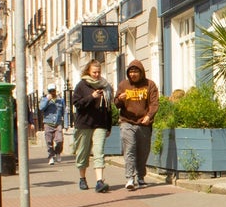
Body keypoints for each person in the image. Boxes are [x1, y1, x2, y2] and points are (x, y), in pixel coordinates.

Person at [114, 59, 159, 191]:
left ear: (141, 72)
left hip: (144, 123)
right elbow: (116, 103)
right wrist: (119, 100)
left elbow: (154, 103)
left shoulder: (149, 85)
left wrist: (149, 116)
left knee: (143, 151)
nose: (133, 74)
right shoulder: (123, 85)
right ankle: (130, 178)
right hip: (126, 122)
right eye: (131, 72)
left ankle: (140, 176)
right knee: (130, 149)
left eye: (136, 71)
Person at [72, 59, 113, 193]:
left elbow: (108, 108)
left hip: (100, 124)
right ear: (88, 71)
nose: (97, 74)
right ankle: (82, 178)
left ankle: (99, 182)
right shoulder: (81, 86)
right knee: (82, 153)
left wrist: (109, 126)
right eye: (94, 72)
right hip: (84, 124)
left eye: (99, 72)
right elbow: (77, 104)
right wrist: (92, 97)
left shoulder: (105, 86)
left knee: (98, 152)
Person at [39, 84, 65, 164]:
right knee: (49, 142)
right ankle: (51, 156)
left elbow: (64, 112)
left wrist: (66, 124)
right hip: (48, 122)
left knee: (60, 140)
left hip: (58, 123)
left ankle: (57, 152)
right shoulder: (44, 99)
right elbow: (41, 108)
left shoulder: (60, 100)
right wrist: (47, 100)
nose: (52, 92)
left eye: (53, 90)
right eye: (50, 91)